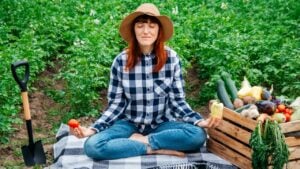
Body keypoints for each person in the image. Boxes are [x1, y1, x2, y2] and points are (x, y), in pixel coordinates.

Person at [70, 3, 221, 160]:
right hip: (128, 124)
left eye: (152, 26)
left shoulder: (172, 59)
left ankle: (142, 141)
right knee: (92, 146)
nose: (146, 31)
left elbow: (177, 101)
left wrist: (198, 121)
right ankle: (150, 149)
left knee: (197, 135)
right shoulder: (120, 61)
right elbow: (116, 105)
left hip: (162, 124)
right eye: (140, 26)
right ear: (133, 30)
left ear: (158, 31)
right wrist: (93, 130)